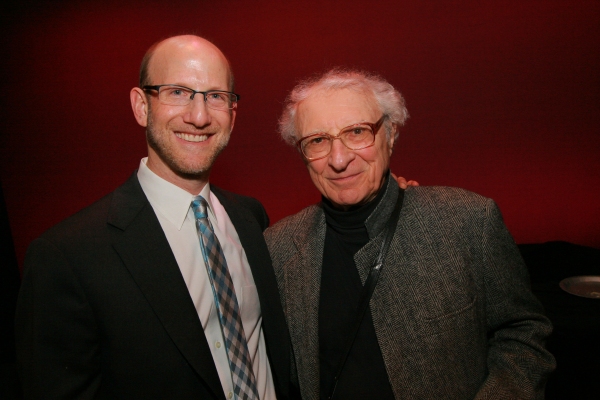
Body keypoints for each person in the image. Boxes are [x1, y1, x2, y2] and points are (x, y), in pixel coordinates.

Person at [15, 35, 295, 400]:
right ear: (141, 106)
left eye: (215, 96)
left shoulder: (250, 218)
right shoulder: (67, 258)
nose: (199, 116)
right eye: (178, 92)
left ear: (232, 115)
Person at [265, 69, 556, 399]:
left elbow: (523, 334)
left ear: (390, 134)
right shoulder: (277, 248)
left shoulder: (467, 220)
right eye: (317, 140)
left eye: (357, 132)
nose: (339, 158)